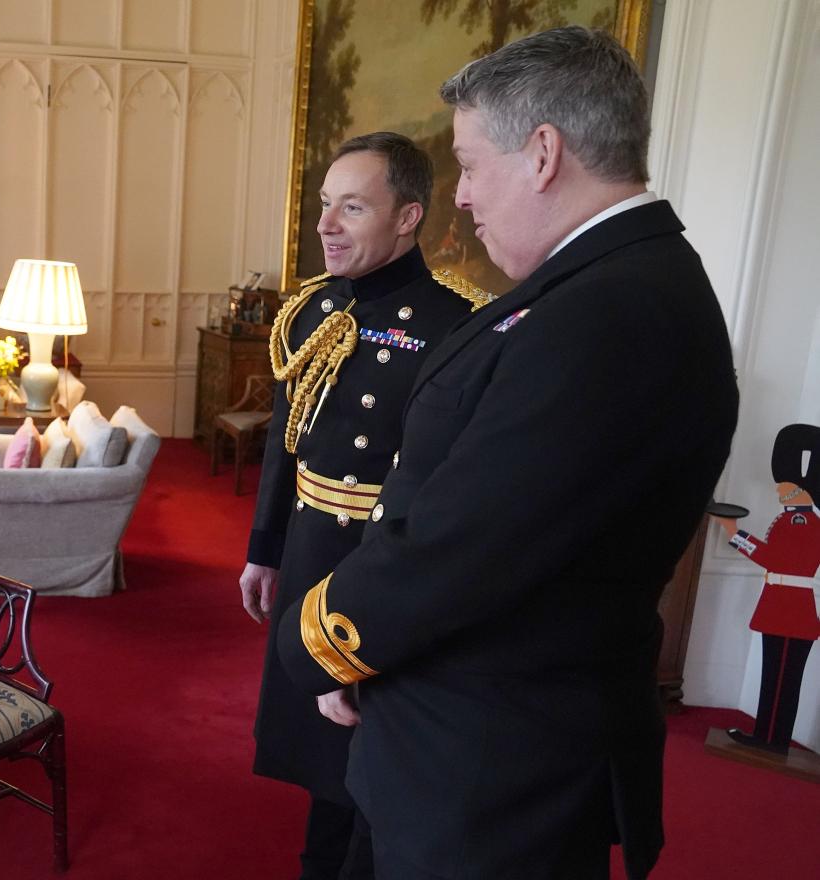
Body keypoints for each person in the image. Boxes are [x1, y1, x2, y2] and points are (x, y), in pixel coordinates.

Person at [276, 27, 739, 880]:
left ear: (542, 154)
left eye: (471, 163)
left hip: (490, 769)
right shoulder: (609, 285)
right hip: (467, 740)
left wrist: (322, 644)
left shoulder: (604, 316)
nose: (461, 197)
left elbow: (464, 544)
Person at [241, 132, 479, 878]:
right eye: (324, 206)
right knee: (317, 746)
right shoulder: (312, 309)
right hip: (313, 549)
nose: (326, 225)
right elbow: (289, 436)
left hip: (382, 563)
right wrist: (264, 547)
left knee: (371, 751)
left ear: (407, 217)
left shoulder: (457, 323)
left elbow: (447, 484)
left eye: (352, 207)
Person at [713, 423, 820, 755]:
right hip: (784, 608)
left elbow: (776, 558)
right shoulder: (792, 519)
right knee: (774, 678)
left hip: (791, 612)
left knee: (782, 681)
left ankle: (772, 740)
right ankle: (766, 734)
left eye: (785, 486)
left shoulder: (804, 523)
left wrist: (735, 533)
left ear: (803, 490)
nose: (779, 491)